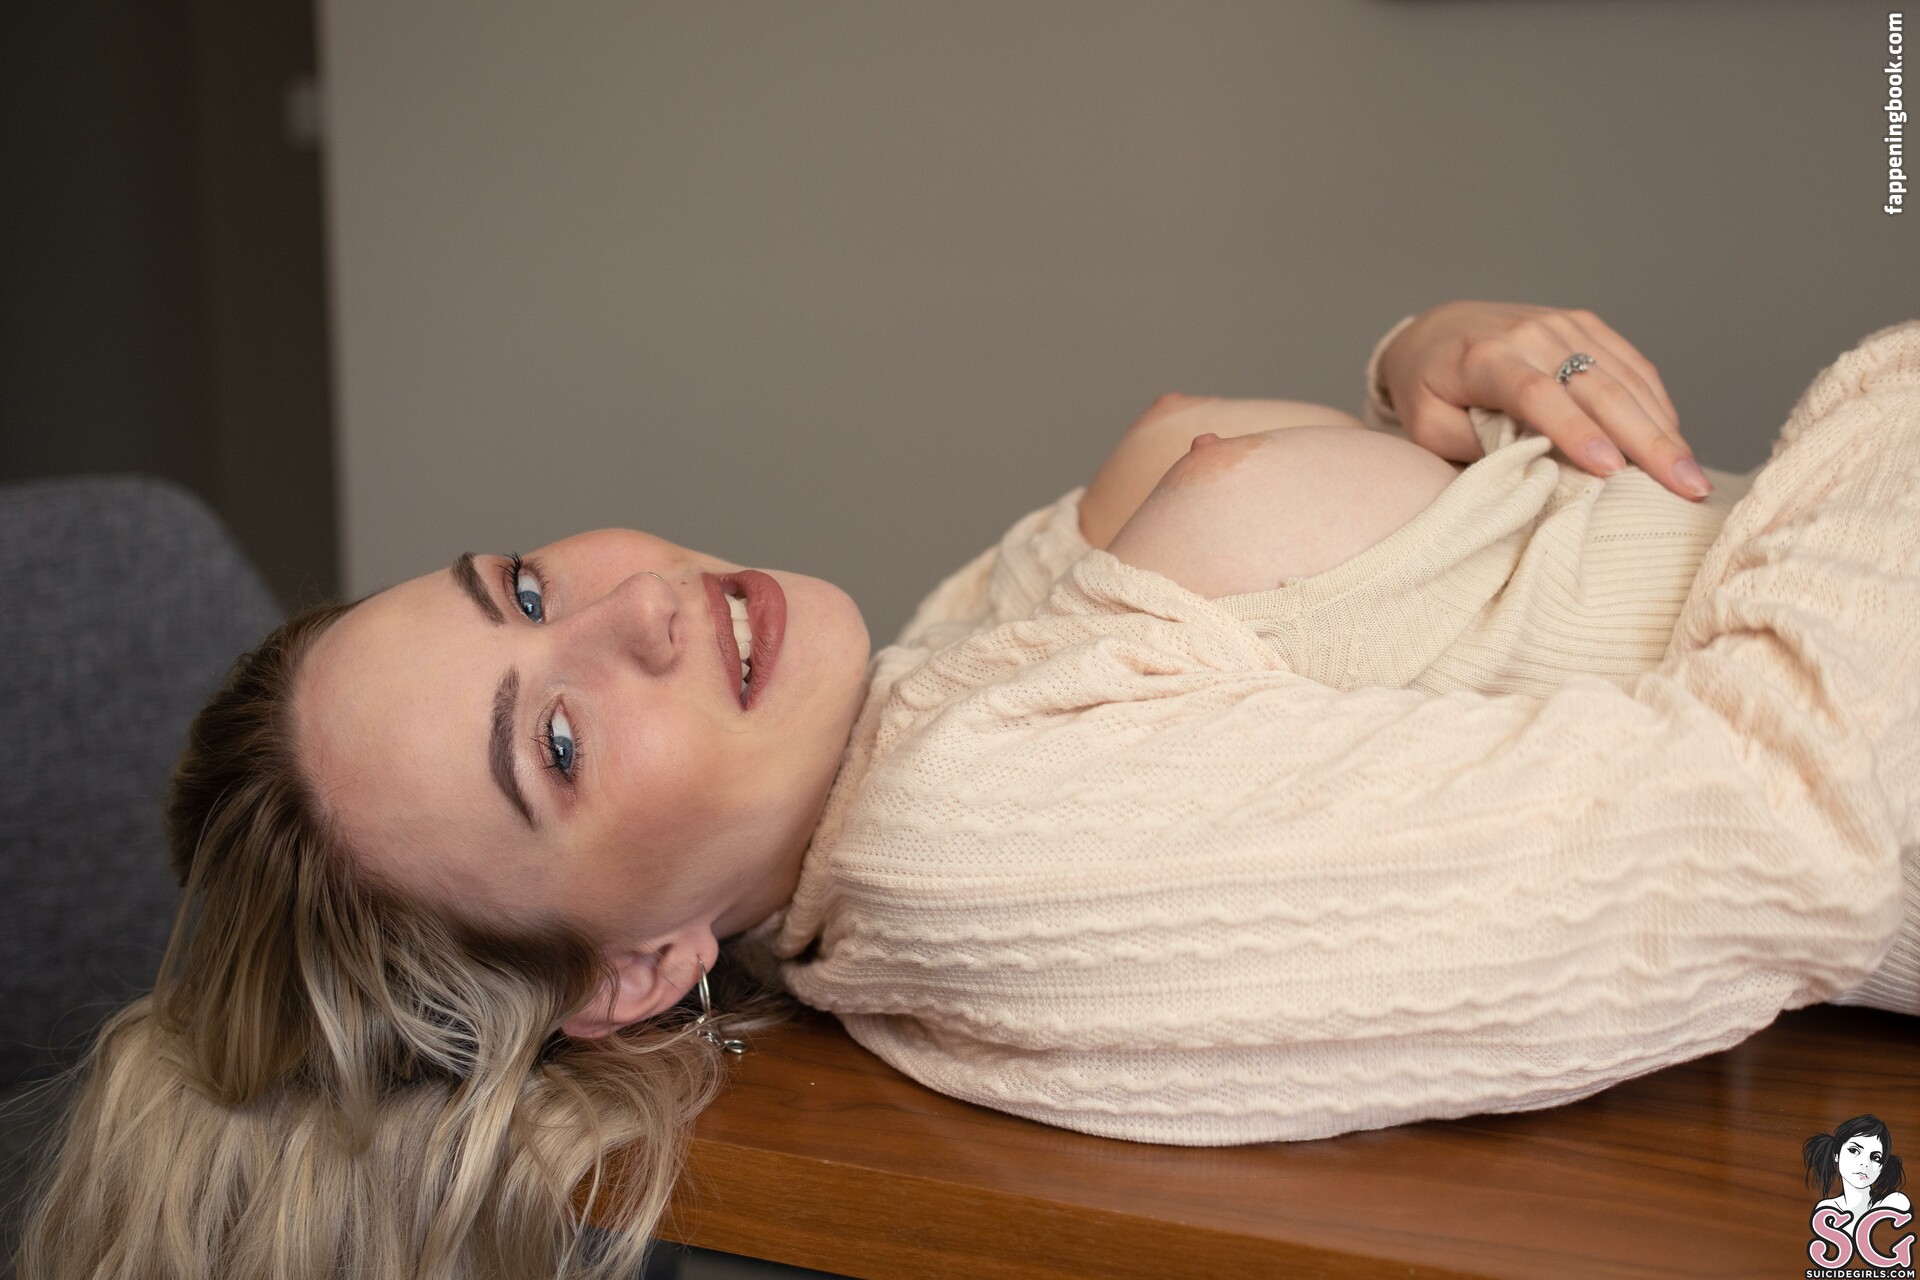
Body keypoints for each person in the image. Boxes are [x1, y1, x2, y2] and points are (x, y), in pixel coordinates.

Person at [16, 301, 1919, 1278]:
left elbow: (1422, 634)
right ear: (630, 972)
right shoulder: (976, 856)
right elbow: (1797, 811)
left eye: (520, 587)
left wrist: (1439, 368)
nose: (634, 611)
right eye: (559, 745)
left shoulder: (916, 690)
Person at [1804, 1114, 1911, 1230]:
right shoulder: (1827, 1209)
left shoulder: (1894, 1202)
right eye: (1854, 1150)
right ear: (1836, 1155)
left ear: (1882, 1167)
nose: (1865, 1163)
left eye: (1875, 1157)